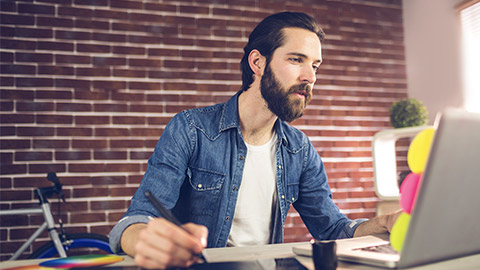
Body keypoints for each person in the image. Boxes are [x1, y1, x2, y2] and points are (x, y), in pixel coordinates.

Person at [109, 11, 400, 269]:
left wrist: (382, 223)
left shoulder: (299, 150)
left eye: (315, 66)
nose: (309, 76)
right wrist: (146, 240)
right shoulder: (191, 130)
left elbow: (331, 229)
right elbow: (135, 221)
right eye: (296, 59)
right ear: (257, 63)